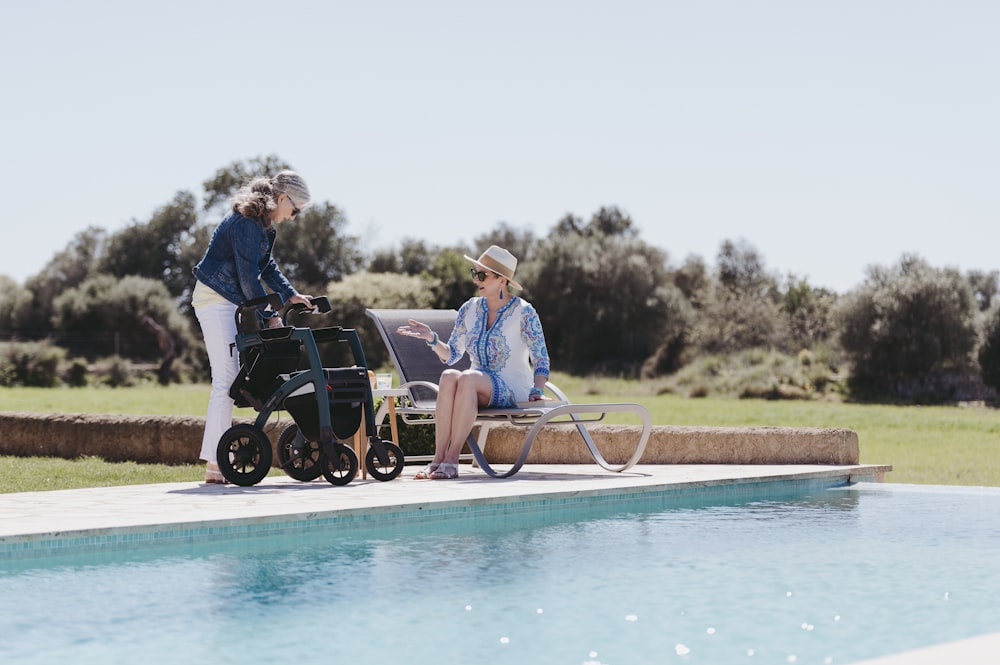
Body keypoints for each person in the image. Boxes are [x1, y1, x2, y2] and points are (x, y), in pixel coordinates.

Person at [191, 170, 315, 484]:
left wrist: (290, 295)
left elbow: (266, 268)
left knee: (230, 379)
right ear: (283, 198)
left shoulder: (263, 226)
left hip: (229, 301)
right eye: (296, 209)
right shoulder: (246, 223)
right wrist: (269, 314)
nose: (295, 216)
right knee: (226, 380)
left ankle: (217, 462)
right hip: (214, 298)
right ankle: (216, 464)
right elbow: (248, 279)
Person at [396, 245, 552, 479]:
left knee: (468, 377)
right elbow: (452, 356)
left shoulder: (524, 312)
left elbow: (540, 356)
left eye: (482, 275)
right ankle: (437, 459)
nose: (475, 279)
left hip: (512, 386)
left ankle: (452, 459)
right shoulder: (469, 308)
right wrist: (431, 338)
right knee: (450, 376)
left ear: (502, 280)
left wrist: (537, 389)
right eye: (474, 272)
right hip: (474, 386)